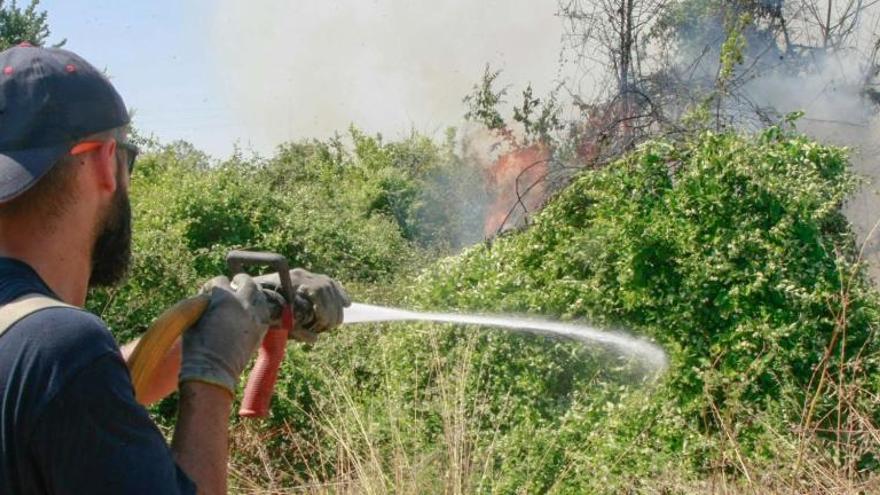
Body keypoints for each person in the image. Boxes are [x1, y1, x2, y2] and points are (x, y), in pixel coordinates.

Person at [0, 44, 350, 494]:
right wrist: (211, 373)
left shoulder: (41, 354)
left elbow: (55, 397)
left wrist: (216, 326)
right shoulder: (60, 349)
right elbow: (60, 377)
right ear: (107, 163)